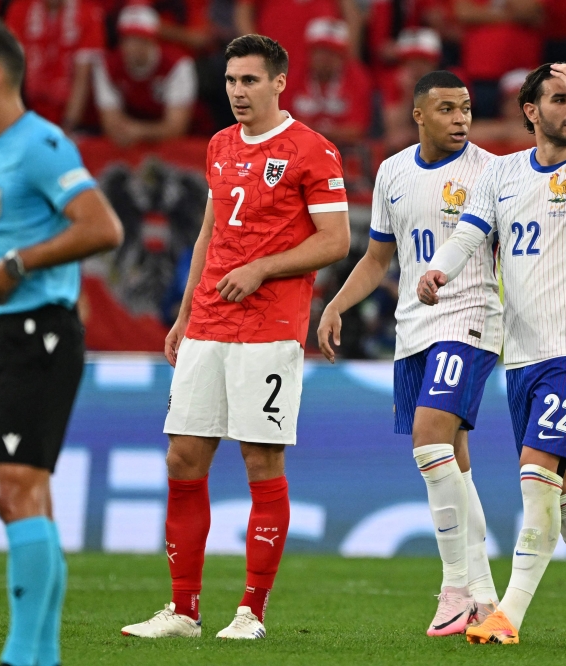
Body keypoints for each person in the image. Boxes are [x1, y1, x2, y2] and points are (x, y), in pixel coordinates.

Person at [120, 33, 350, 640]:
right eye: (230, 81)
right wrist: (184, 314)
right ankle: (184, 612)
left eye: (249, 81)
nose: (238, 92)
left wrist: (262, 268)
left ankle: (251, 612)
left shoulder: (312, 150)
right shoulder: (220, 145)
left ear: (279, 82)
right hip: (209, 323)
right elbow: (207, 235)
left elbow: (335, 241)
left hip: (270, 329)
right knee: (182, 457)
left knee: (259, 460)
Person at [417, 62, 566, 645]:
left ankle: (508, 615)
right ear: (530, 111)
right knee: (565, 490)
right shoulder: (505, 173)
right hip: (521, 355)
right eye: (560, 99)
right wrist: (439, 269)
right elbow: (472, 231)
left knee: (534, 475)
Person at [0, 20, 123, 666]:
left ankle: (22, 657)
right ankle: (39, 657)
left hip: (38, 331)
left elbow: (103, 226)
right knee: (18, 495)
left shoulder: (41, 144)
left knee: (19, 488)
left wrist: (22, 262)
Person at [317, 70, 502, 637]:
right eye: (447, 109)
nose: (461, 120)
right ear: (418, 114)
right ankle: (486, 598)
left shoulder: (491, 172)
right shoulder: (393, 171)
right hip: (412, 329)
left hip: (469, 317)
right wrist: (336, 306)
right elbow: (378, 259)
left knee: (429, 441)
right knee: (454, 459)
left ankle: (453, 588)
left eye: (466, 108)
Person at [93, 4, 198, 147]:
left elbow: (176, 128)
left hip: (175, 144)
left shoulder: (177, 65)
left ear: (153, 40)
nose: (131, 46)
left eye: (139, 39)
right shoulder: (107, 66)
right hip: (128, 140)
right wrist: (132, 131)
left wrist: (139, 131)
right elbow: (110, 124)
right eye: (127, 39)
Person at [4, 0, 105, 131]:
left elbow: (82, 79)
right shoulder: (19, 9)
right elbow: (8, 72)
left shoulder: (89, 13)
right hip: (28, 111)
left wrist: (65, 130)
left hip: (76, 120)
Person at [289, 17, 372, 145]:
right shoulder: (294, 74)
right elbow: (281, 123)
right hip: (298, 147)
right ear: (310, 52)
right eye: (320, 51)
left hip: (342, 150)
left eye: (332, 52)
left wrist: (315, 132)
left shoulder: (357, 77)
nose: (325, 58)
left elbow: (357, 129)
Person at [380, 27, 441, 155]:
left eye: (422, 60)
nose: (416, 67)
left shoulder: (447, 84)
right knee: (397, 140)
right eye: (410, 60)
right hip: (407, 146)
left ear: (434, 63)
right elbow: (393, 129)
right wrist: (408, 94)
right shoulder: (394, 81)